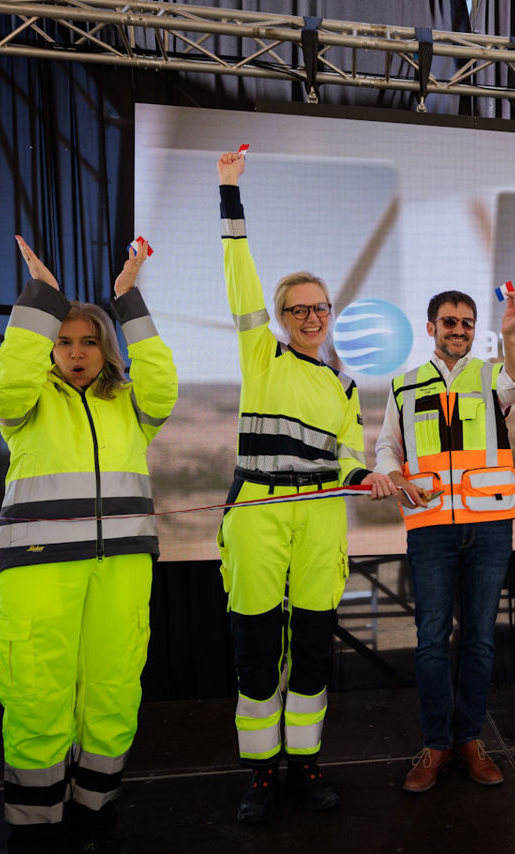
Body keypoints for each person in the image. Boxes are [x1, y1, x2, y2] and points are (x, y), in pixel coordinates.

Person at [215, 150, 397, 822]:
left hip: (320, 518)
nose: (312, 317)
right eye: (299, 309)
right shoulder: (260, 352)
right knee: (257, 651)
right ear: (282, 316)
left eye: (320, 308)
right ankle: (261, 777)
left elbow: (349, 456)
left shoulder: (345, 384)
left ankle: (307, 766)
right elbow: (240, 277)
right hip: (259, 513)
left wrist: (369, 479)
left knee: (316, 649)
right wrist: (230, 194)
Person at [0, 234, 177, 854]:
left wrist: (126, 298)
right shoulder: (24, 400)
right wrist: (41, 298)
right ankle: (36, 830)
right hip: (38, 571)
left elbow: (163, 382)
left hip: (121, 569)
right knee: (38, 693)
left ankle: (97, 816)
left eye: (88, 341)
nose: (75, 352)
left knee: (115, 688)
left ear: (105, 349)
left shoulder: (131, 404)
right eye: (64, 341)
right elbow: (11, 375)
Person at [375, 288, 515, 793]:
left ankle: (470, 739)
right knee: (429, 641)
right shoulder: (404, 386)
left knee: (480, 639)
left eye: (468, 323)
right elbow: (387, 445)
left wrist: (510, 333)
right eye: (450, 322)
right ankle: (436, 744)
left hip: (489, 526)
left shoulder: (491, 376)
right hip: (429, 528)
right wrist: (388, 473)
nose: (460, 329)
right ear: (431, 328)